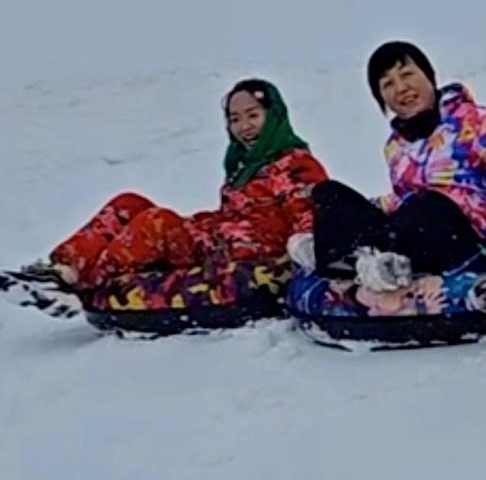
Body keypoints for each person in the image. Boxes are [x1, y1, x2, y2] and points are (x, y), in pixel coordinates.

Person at [45, 80, 327, 314]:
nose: (244, 127)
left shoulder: (295, 164)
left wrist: (308, 252)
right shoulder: (245, 165)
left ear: (273, 115)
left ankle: (83, 285)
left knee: (157, 222)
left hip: (249, 255)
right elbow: (235, 215)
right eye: (235, 119)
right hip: (215, 242)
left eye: (253, 116)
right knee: (128, 204)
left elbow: (311, 213)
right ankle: (59, 271)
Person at [304, 42, 486, 311]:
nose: (401, 88)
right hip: (417, 233)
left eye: (407, 74)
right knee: (329, 193)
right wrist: (354, 213)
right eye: (388, 84)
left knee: (429, 204)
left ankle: (370, 271)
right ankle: (359, 268)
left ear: (429, 76)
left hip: (473, 240)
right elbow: (402, 199)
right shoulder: (395, 147)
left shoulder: (477, 121)